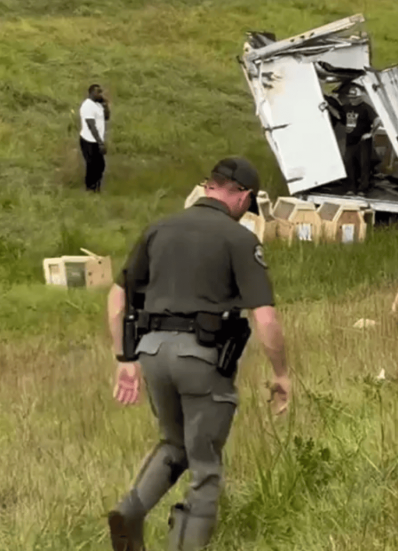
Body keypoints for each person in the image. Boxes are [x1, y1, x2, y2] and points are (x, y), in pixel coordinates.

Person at [104, 156, 291, 551]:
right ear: (241, 196)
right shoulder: (239, 238)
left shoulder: (158, 229)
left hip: (152, 353)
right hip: (202, 360)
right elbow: (266, 319)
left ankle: (130, 514)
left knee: (175, 444)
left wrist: (125, 359)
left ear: (209, 187)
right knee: (206, 466)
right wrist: (281, 373)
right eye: (248, 204)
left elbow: (118, 297)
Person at [335, 83, 380, 194]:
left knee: (364, 164)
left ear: (360, 97)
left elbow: (377, 119)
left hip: (363, 140)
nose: (352, 100)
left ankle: (363, 190)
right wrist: (328, 107)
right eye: (351, 98)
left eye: (354, 98)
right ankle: (351, 188)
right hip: (350, 141)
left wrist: (371, 133)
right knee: (349, 164)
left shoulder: (365, 107)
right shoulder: (347, 107)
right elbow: (339, 116)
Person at [79, 84, 111, 192]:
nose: (101, 94)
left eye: (101, 92)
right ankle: (90, 187)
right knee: (92, 165)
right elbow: (91, 126)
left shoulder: (98, 105)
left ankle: (96, 186)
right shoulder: (87, 106)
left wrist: (105, 105)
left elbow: (106, 117)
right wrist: (100, 143)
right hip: (89, 140)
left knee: (100, 165)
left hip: (96, 140)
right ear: (92, 93)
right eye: (98, 92)